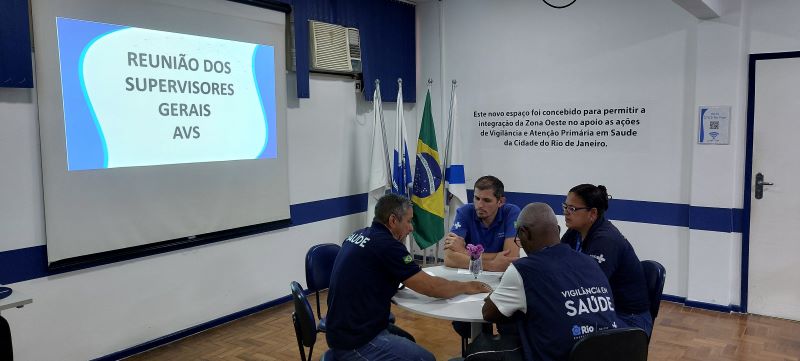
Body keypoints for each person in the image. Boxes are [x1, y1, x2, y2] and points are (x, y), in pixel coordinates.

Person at [326, 193, 492, 361]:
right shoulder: (388, 246)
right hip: (355, 341)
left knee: (408, 341)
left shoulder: (359, 234)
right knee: (426, 358)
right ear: (392, 220)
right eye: (408, 221)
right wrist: (467, 286)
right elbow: (433, 288)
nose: (412, 228)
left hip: (340, 329)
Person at [481, 203, 621, 361]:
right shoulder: (590, 262)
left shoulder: (524, 269)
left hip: (561, 356)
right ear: (558, 231)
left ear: (523, 233)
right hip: (606, 353)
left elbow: (489, 313)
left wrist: (493, 295)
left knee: (478, 350)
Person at [560, 184, 652, 335]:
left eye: (573, 209)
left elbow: (588, 289)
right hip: (605, 310)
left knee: (562, 331)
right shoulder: (574, 232)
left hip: (630, 320)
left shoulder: (606, 241)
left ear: (593, 213)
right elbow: (557, 262)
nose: (566, 213)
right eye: (565, 206)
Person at [444, 176, 521, 272]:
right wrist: (491, 265)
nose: (479, 205)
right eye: (477, 198)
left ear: (500, 202)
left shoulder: (512, 212)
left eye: (487, 200)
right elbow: (449, 258)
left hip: (499, 278)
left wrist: (464, 252)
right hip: (471, 276)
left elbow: (510, 258)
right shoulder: (465, 212)